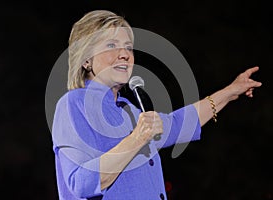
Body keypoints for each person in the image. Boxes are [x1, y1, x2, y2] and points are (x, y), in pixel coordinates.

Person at [51, 10, 262, 200]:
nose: (125, 54)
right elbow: (80, 184)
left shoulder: (130, 110)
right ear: (86, 59)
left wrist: (230, 92)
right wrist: (137, 139)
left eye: (128, 47)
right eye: (111, 45)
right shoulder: (73, 104)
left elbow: (179, 123)